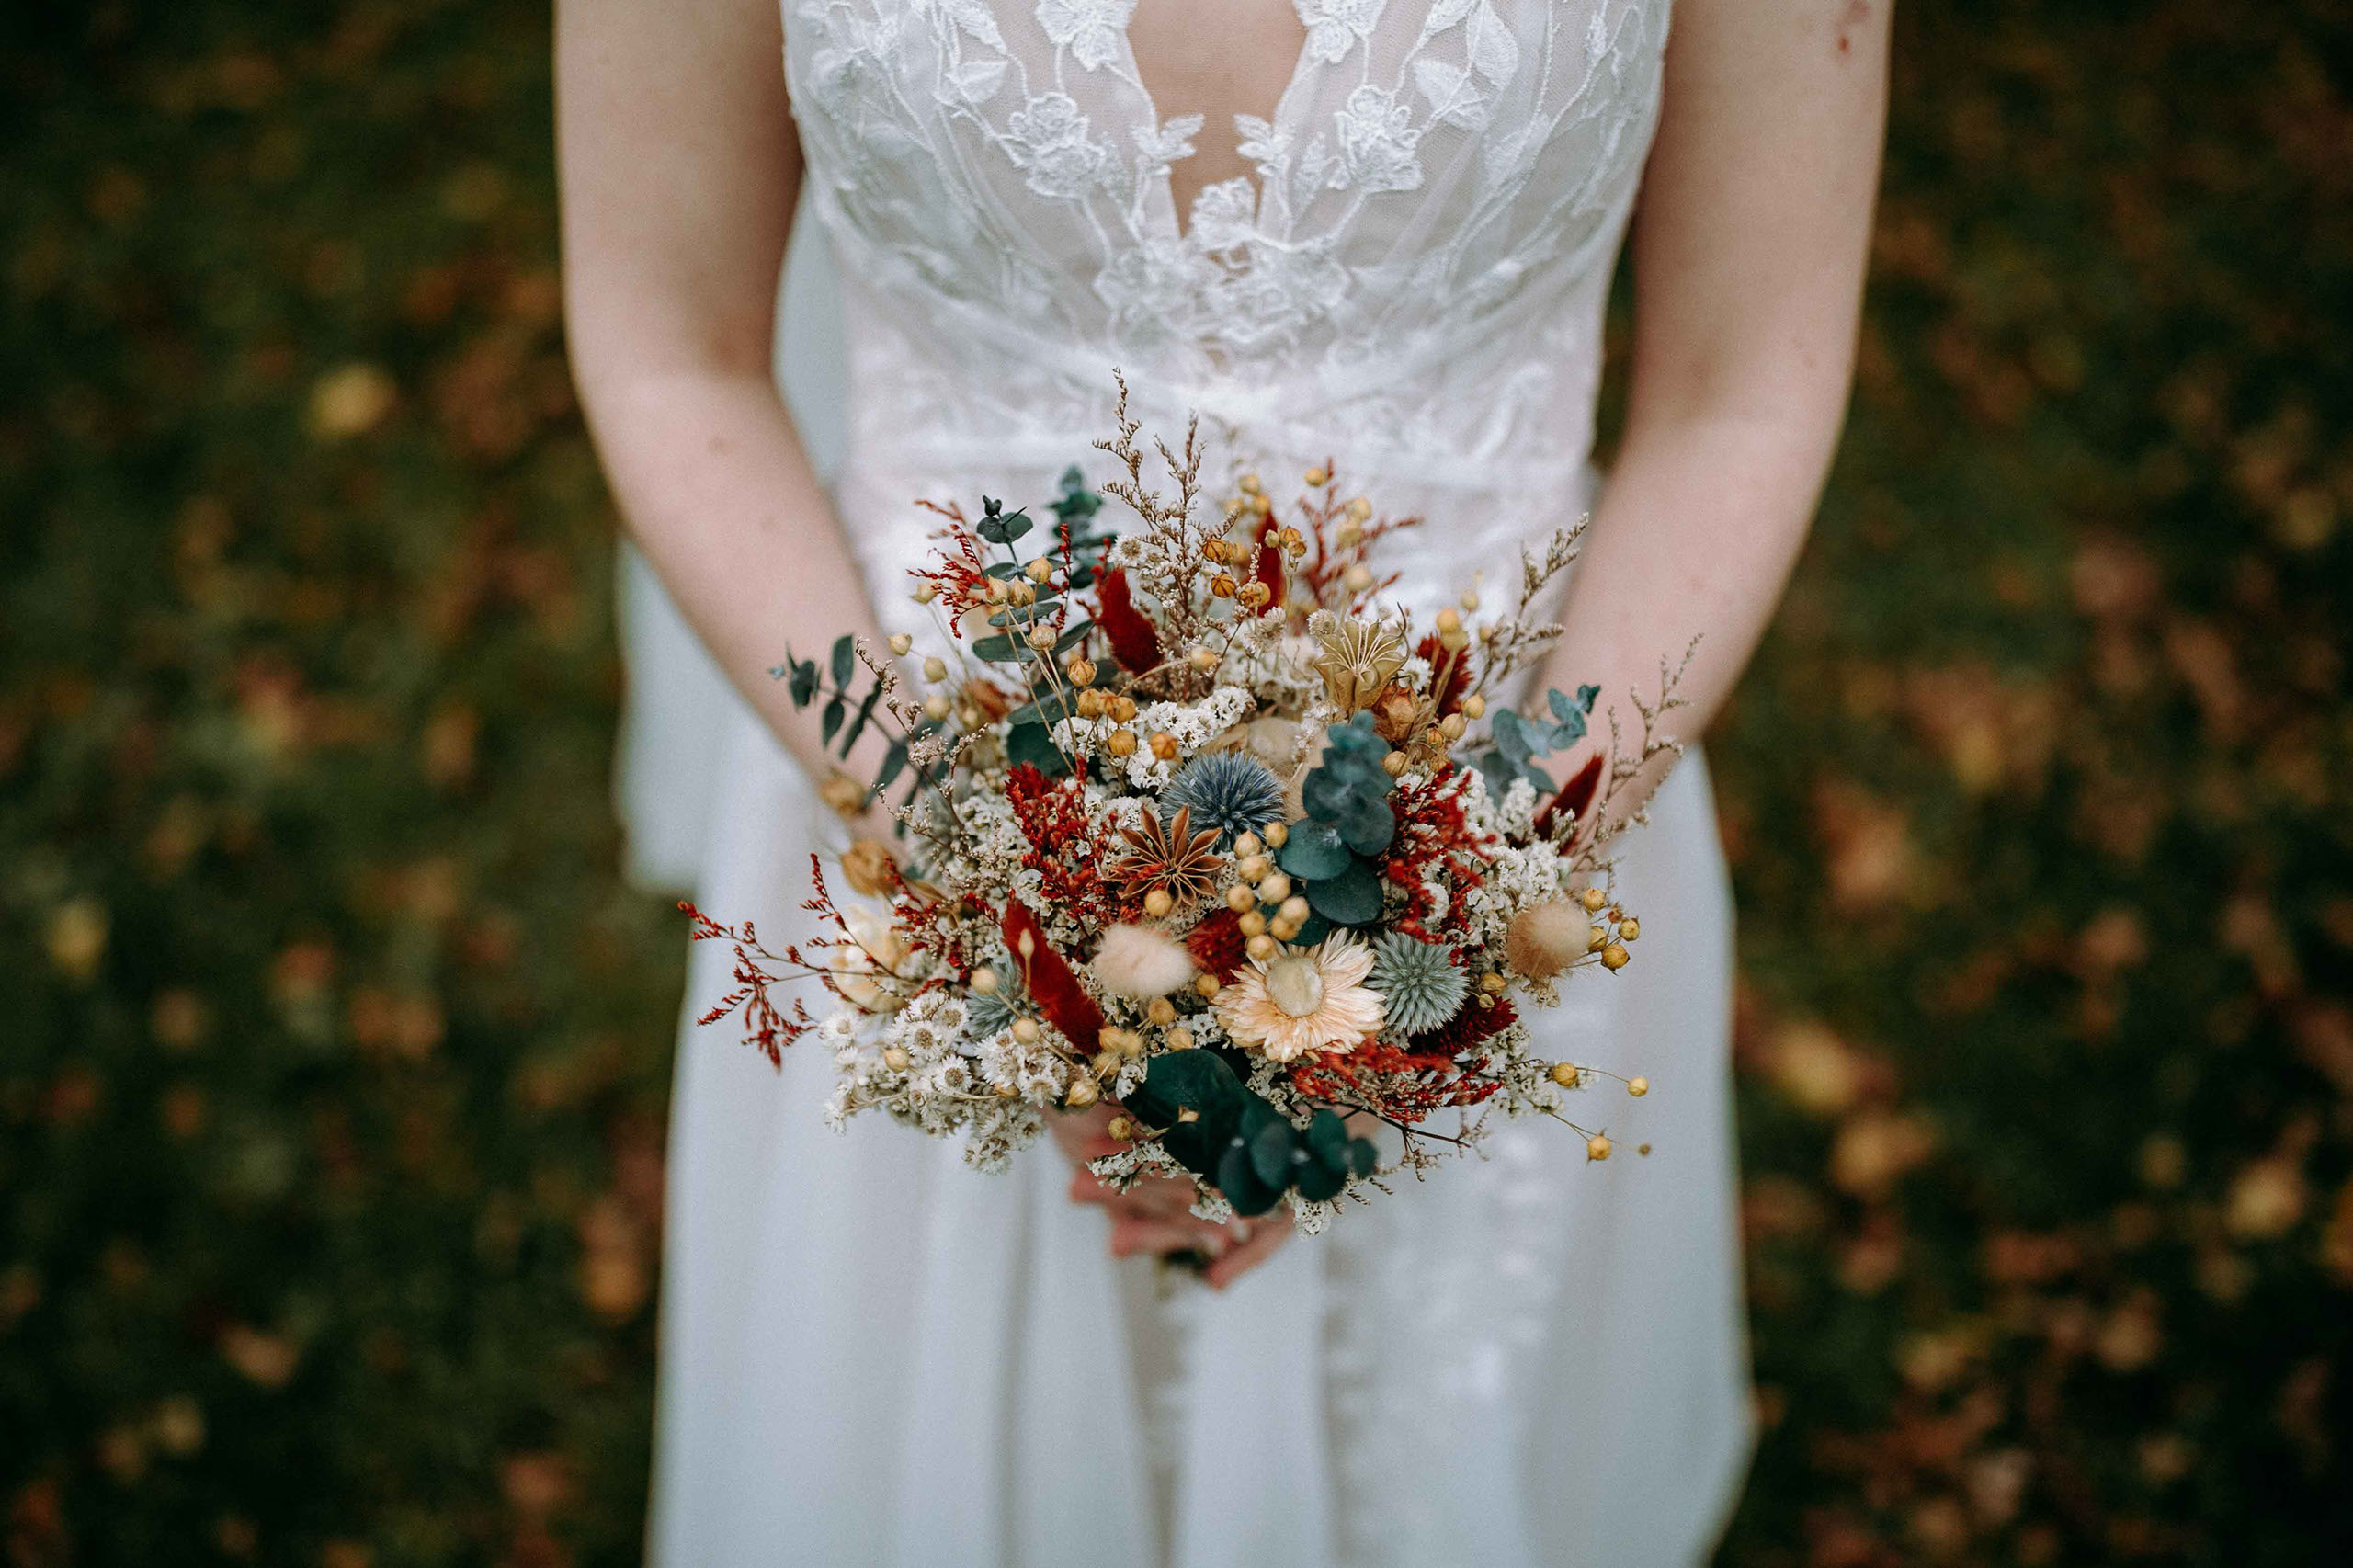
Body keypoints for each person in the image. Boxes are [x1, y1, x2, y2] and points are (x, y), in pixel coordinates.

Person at [557, 1, 1887, 1562]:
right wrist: (1006, 925)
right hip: (920, 812)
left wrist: (1456, 933)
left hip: (1521, 803)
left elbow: (1740, 387)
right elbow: (673, 352)